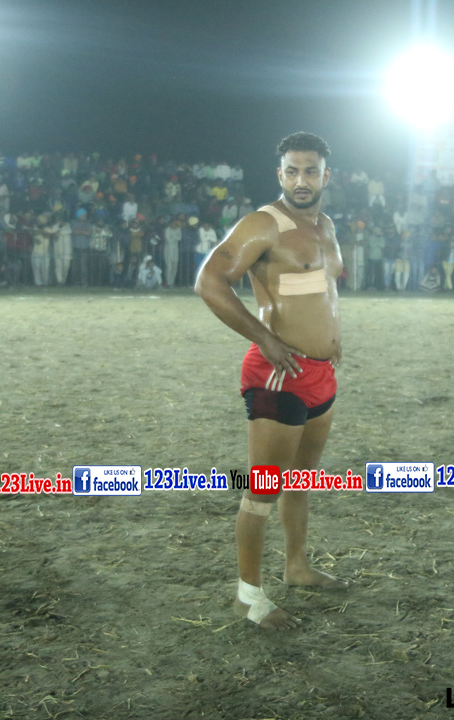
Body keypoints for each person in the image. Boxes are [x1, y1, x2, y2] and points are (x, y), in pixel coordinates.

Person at [195, 132, 347, 631]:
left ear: (326, 176)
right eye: (292, 171)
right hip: (279, 374)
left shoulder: (326, 226)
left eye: (310, 171)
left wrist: (333, 337)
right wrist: (264, 338)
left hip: (319, 374)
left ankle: (297, 567)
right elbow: (208, 281)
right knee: (262, 490)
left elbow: (321, 289)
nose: (301, 180)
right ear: (279, 174)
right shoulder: (264, 224)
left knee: (301, 480)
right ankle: (248, 596)